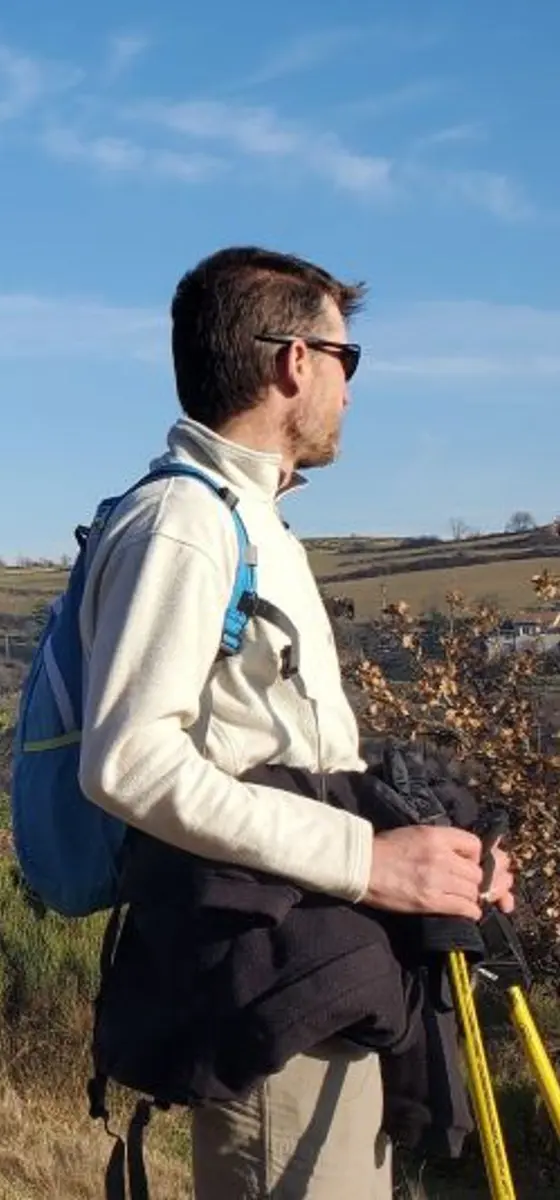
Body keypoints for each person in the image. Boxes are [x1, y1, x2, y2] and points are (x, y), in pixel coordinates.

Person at [75, 246, 514, 1198]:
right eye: (347, 361)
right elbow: (129, 761)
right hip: (272, 987)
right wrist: (372, 862)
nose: (352, 392)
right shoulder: (184, 525)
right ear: (294, 362)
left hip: (314, 971)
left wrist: (430, 858)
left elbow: (301, 759)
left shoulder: (251, 522)